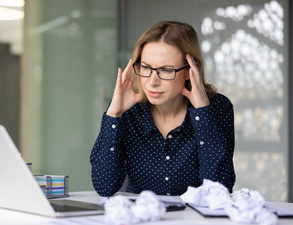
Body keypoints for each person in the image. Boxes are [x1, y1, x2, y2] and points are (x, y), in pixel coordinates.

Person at [90, 20, 235, 197]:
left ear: (191, 69)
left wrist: (202, 113)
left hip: (194, 222)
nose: (152, 81)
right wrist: (114, 114)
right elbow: (104, 186)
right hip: (142, 218)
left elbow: (219, 190)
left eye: (166, 70)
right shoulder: (129, 111)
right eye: (145, 67)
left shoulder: (218, 108)